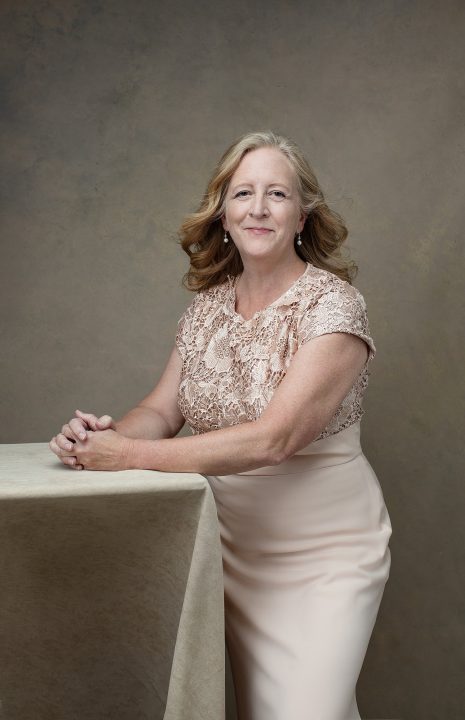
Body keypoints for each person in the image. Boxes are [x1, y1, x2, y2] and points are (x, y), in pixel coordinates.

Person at [50, 131, 392, 720]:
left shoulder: (335, 307)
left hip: (324, 552)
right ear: (224, 215)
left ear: (302, 216)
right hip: (228, 546)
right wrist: (101, 439)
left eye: (277, 193)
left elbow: (275, 439)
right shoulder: (206, 309)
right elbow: (161, 410)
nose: (258, 208)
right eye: (243, 194)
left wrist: (126, 456)